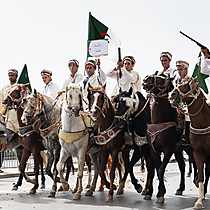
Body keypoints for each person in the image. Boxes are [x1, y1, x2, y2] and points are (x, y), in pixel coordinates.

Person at [0, 69, 19, 172]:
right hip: (8, 118)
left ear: (16, 76)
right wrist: (2, 113)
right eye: (9, 75)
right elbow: (1, 103)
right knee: (3, 142)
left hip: (19, 118)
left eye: (12, 75)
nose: (10, 76)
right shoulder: (4, 88)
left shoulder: (20, 86)